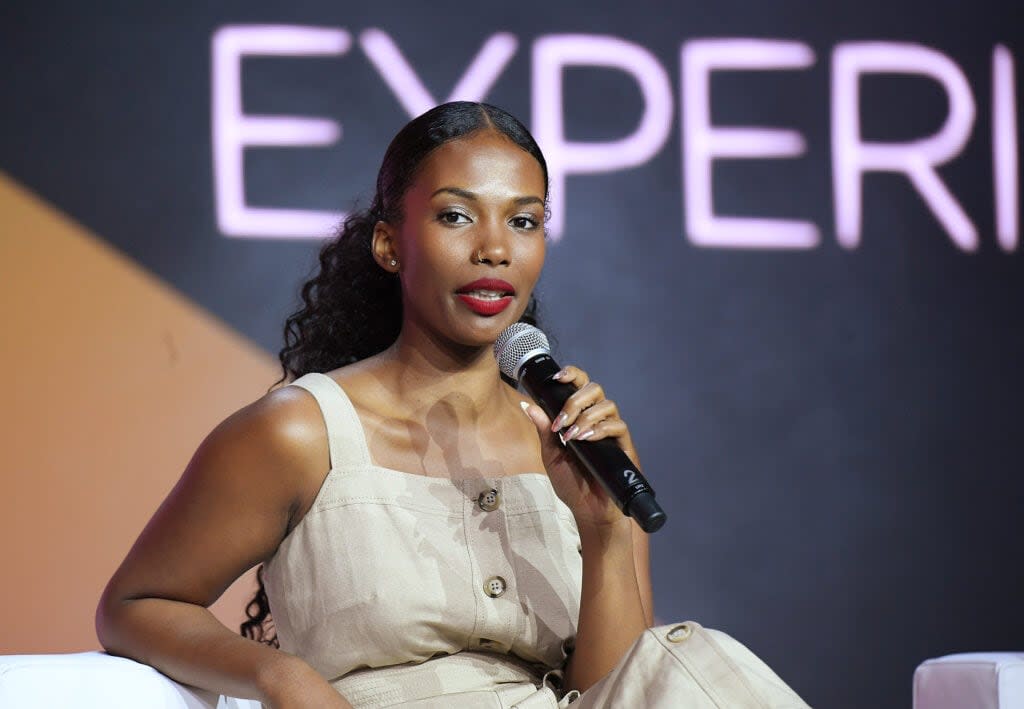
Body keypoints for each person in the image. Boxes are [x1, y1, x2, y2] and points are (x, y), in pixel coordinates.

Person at [96, 101, 810, 708]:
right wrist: (280, 675)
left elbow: (611, 690)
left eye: (524, 222)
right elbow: (134, 606)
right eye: (456, 216)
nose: (495, 248)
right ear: (388, 244)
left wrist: (604, 534)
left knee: (695, 657)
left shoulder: (580, 445)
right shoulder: (300, 430)